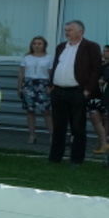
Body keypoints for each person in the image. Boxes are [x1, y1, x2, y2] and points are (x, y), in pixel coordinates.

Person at [48, 20, 102, 165]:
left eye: (70, 30)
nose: (67, 33)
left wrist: (87, 90)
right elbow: (55, 65)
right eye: (66, 30)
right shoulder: (61, 47)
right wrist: (51, 85)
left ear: (81, 31)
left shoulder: (91, 47)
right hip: (58, 91)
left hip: (77, 92)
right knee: (58, 126)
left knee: (78, 127)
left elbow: (96, 70)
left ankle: (76, 159)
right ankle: (55, 158)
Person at [17, 36, 53, 145]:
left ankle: (53, 135)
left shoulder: (49, 58)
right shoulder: (27, 58)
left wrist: (51, 87)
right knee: (30, 111)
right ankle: (32, 135)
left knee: (46, 111)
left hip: (43, 85)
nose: (37, 46)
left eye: (39, 43)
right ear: (32, 45)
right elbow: (21, 73)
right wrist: (19, 87)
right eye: (35, 43)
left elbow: (51, 74)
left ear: (44, 45)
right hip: (29, 85)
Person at [88, 43, 109, 155]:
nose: (104, 52)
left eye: (107, 51)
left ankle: (103, 143)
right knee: (96, 117)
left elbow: (103, 80)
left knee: (104, 118)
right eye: (104, 50)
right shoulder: (100, 64)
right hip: (96, 95)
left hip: (104, 96)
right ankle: (103, 142)